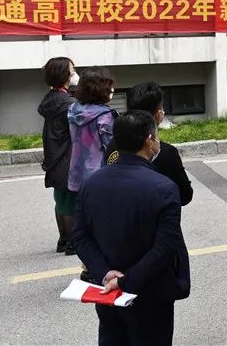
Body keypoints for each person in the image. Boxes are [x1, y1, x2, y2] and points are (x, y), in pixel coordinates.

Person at [73, 110, 191, 345]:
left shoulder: (91, 183)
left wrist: (106, 274)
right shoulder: (164, 187)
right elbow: (165, 248)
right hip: (151, 292)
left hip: (107, 292)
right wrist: (126, 281)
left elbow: (80, 236)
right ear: (149, 140)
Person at [104, 82, 193, 206]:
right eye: (162, 108)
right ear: (158, 114)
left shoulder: (114, 143)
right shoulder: (166, 153)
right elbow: (185, 195)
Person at [38, 57, 79, 255]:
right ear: (64, 74)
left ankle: (63, 239)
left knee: (61, 200)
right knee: (70, 201)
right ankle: (72, 243)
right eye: (72, 70)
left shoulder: (50, 99)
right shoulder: (68, 103)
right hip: (68, 156)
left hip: (54, 156)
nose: (75, 73)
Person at [68, 67, 117, 195]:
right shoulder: (105, 116)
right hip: (100, 177)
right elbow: (112, 148)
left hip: (77, 174)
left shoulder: (73, 109)